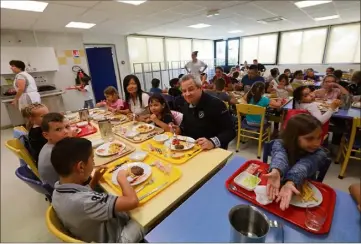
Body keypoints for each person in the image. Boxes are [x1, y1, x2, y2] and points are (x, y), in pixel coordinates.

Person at [51, 137, 144, 242]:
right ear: (81, 167)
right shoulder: (85, 202)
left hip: (92, 229)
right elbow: (132, 201)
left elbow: (83, 197)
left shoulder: (57, 191)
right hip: (116, 237)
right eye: (92, 159)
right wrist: (121, 176)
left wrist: (94, 181)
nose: (94, 163)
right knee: (145, 216)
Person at [265, 114, 328, 211]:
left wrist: (291, 181)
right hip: (276, 189)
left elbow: (304, 165)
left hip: (300, 197)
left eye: (319, 137)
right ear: (293, 137)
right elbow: (280, 156)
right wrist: (276, 170)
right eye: (309, 138)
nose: (317, 143)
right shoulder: (279, 143)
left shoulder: (320, 153)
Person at [174, 74, 235, 150]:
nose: (187, 94)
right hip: (192, 148)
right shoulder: (186, 104)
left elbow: (230, 131)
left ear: (200, 88)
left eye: (191, 89)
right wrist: (180, 129)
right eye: (184, 91)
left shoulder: (216, 104)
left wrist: (212, 142)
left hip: (212, 150)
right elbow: (185, 123)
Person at [38, 113, 73, 187]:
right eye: (58, 129)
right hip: (66, 192)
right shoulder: (58, 153)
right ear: (46, 135)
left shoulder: (50, 145)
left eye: (67, 127)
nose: (66, 132)